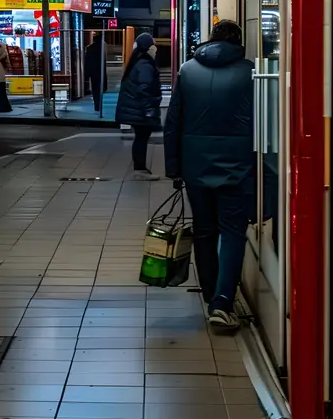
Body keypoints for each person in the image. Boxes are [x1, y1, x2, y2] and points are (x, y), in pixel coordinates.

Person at [164, 19, 254, 330]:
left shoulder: (188, 70)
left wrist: (173, 167)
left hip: (195, 165)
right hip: (237, 166)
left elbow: (173, 121)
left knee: (204, 229)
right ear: (238, 41)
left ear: (210, 40)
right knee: (232, 232)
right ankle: (222, 302)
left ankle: (208, 292)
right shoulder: (249, 71)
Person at [116, 32, 162, 180]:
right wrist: (149, 110)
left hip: (136, 109)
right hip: (140, 110)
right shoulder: (144, 65)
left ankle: (140, 169)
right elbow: (145, 88)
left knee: (140, 138)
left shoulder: (137, 62)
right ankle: (140, 170)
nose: (155, 48)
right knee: (141, 139)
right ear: (148, 48)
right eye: (153, 45)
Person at [84, 31, 108, 113]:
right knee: (100, 89)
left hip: (93, 72)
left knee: (95, 90)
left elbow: (87, 61)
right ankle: (99, 104)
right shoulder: (102, 48)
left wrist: (86, 73)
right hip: (100, 71)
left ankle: (96, 105)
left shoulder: (90, 48)